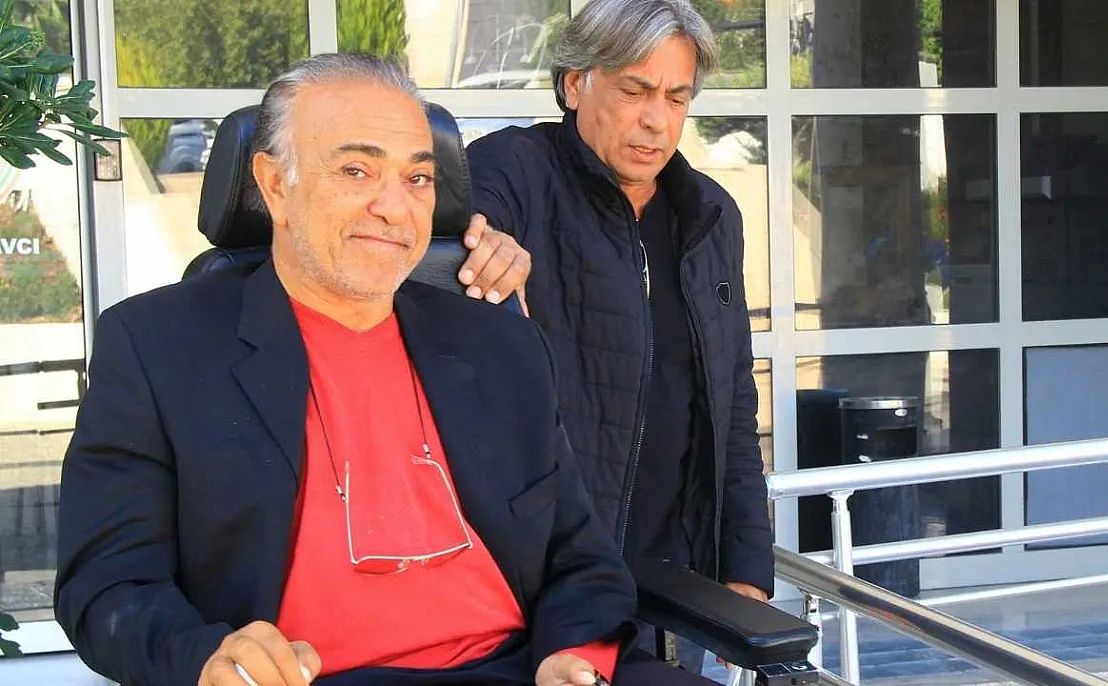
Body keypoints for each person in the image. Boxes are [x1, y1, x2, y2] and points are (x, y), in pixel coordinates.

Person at [53, 53, 717, 686]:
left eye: (418, 178)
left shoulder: (500, 345)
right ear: (274, 184)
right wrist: (204, 659)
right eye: (356, 171)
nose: (396, 208)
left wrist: (574, 652)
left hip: (524, 667)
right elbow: (107, 585)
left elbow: (579, 554)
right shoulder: (158, 347)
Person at [465, 0, 774, 672]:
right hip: (546, 590)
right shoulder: (516, 167)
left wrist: (744, 567)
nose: (657, 120)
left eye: (676, 97)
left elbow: (731, 406)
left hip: (672, 583)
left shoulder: (710, 214)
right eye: (635, 90)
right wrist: (484, 238)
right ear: (576, 83)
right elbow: (456, 224)